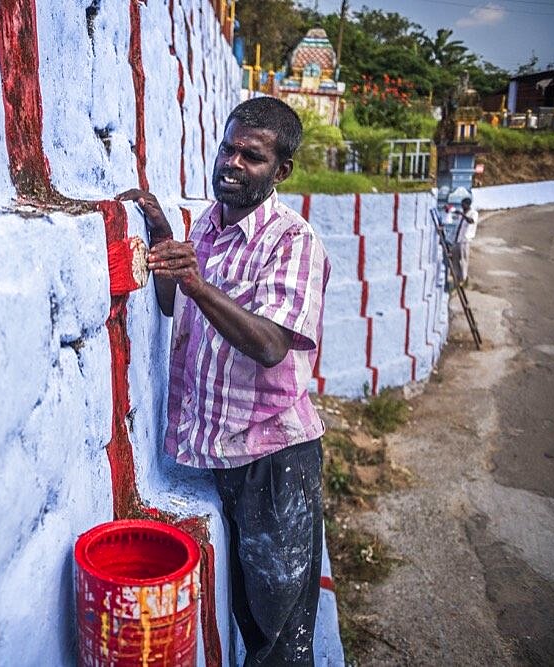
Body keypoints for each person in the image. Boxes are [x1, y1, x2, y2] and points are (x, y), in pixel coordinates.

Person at [118, 97, 330, 666]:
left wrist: (197, 283)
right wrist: (166, 242)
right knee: (246, 610)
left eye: (252, 157)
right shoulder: (208, 227)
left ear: (281, 171)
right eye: (227, 148)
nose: (231, 163)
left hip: (275, 459)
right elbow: (171, 307)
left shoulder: (293, 241)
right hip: (224, 453)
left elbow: (269, 344)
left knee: (280, 632)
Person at [452, 197, 478, 285]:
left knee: (463, 260)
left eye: (463, 204)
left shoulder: (473, 213)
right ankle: (457, 278)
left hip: (465, 240)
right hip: (457, 239)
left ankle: (463, 279)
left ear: (468, 205)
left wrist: (462, 215)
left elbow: (471, 221)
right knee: (454, 259)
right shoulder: (462, 213)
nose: (462, 206)